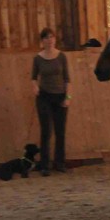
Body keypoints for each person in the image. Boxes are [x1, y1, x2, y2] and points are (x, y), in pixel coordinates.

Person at [31, 27, 71, 176]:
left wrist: (68, 97)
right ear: (42, 41)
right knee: (46, 131)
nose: (49, 40)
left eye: (51, 37)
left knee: (60, 132)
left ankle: (59, 163)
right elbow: (33, 77)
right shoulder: (38, 58)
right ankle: (44, 164)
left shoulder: (61, 57)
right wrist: (34, 87)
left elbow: (67, 79)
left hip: (60, 95)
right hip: (44, 96)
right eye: (46, 38)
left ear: (55, 39)